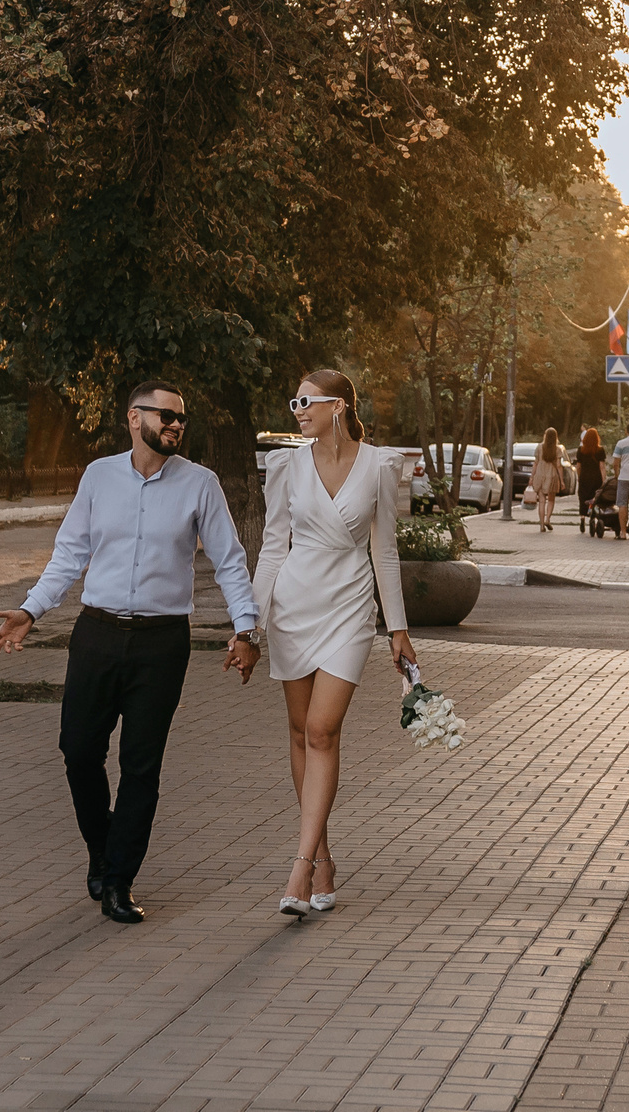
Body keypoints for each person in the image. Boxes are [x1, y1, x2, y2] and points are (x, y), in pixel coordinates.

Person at [0, 380, 261, 926]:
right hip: (97, 634)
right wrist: (30, 610)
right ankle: (102, 847)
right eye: (165, 416)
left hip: (162, 644)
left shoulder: (200, 485)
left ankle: (118, 880)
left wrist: (246, 630)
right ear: (134, 419)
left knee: (141, 764)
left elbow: (229, 561)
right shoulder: (99, 476)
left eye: (181, 418)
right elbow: (69, 555)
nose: (176, 425)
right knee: (78, 750)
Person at [253, 369, 414, 917]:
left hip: (349, 607)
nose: (296, 409)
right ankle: (321, 857)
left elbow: (384, 550)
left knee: (322, 730)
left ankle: (298, 871)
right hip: (292, 607)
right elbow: (274, 548)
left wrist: (398, 628)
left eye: (306, 401)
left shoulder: (379, 465)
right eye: (293, 400)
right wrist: (251, 623)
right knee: (300, 733)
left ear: (338, 406)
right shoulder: (285, 464)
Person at [530, 428, 566, 534]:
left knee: (541, 501)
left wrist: (532, 477)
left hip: (540, 475)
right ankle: (547, 520)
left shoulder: (539, 447)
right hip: (552, 476)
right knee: (551, 500)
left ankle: (541, 524)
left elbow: (535, 463)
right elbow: (559, 466)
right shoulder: (557, 449)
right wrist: (562, 480)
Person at [573, 427, 605, 521]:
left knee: (583, 497)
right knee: (595, 497)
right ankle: (593, 516)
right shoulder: (600, 450)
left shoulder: (581, 450)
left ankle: (582, 516)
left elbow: (578, 466)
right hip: (596, 478)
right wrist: (604, 480)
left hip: (584, 477)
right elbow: (602, 467)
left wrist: (579, 476)